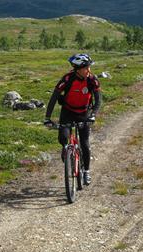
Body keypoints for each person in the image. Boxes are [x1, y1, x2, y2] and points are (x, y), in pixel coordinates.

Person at [44, 53, 102, 185]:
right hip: (67, 112)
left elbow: (98, 100)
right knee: (63, 139)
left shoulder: (92, 80)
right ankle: (69, 154)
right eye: (86, 67)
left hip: (84, 113)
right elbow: (54, 97)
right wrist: (47, 118)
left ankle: (86, 171)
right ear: (77, 69)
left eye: (89, 67)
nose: (89, 70)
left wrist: (93, 114)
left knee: (85, 143)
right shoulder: (67, 79)